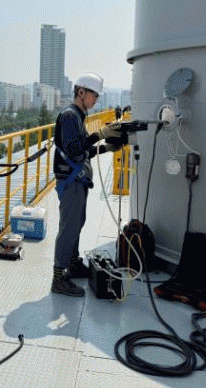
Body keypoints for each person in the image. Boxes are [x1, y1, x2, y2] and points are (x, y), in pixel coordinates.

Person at [52, 72, 123, 297]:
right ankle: (59, 277)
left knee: (77, 223)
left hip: (77, 180)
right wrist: (100, 134)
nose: (96, 100)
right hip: (71, 181)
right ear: (80, 92)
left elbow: (82, 151)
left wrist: (105, 148)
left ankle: (73, 264)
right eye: (94, 95)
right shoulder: (69, 116)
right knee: (69, 228)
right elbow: (73, 149)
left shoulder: (78, 116)